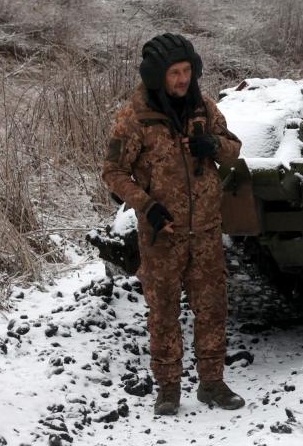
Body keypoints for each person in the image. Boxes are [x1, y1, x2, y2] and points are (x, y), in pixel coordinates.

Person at [102, 33, 245, 416]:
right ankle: (168, 389)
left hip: (207, 230)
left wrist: (212, 146)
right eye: (174, 73)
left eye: (187, 71)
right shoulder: (135, 118)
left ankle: (212, 383)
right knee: (163, 311)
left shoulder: (204, 107)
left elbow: (233, 149)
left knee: (213, 306)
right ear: (156, 76)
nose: (182, 80)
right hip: (162, 233)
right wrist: (146, 206)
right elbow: (114, 172)